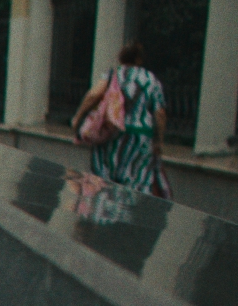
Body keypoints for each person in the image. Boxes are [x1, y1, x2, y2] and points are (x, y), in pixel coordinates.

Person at [73, 41, 172, 198]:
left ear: (120, 57)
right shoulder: (151, 80)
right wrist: (158, 141)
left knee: (102, 182)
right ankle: (129, 218)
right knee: (137, 184)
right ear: (140, 59)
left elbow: (93, 95)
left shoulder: (113, 75)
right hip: (141, 138)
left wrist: (78, 117)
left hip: (110, 134)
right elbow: (160, 113)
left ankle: (102, 215)